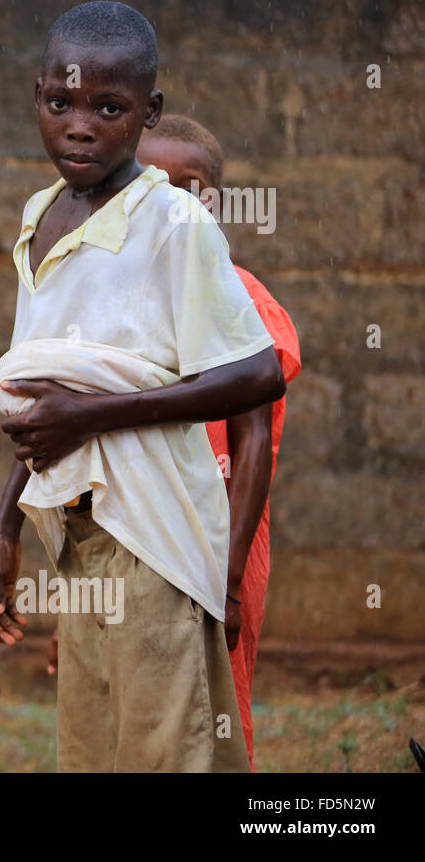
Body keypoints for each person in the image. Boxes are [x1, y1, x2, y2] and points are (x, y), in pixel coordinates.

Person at [0, 0, 286, 771]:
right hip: (77, 537)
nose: (80, 126)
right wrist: (4, 528)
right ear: (36, 96)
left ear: (149, 112)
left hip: (154, 536)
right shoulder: (42, 214)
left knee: (163, 751)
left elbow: (256, 372)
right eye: (60, 103)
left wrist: (94, 417)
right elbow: (51, 394)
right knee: (93, 749)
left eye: (108, 108)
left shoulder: (173, 222)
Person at [136, 115, 302, 769]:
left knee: (215, 719)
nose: (170, 202)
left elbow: (254, 439)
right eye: (150, 185)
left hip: (218, 549)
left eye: (189, 187)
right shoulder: (126, 305)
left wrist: (228, 584)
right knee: (140, 713)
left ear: (215, 202)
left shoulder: (242, 302)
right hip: (139, 542)